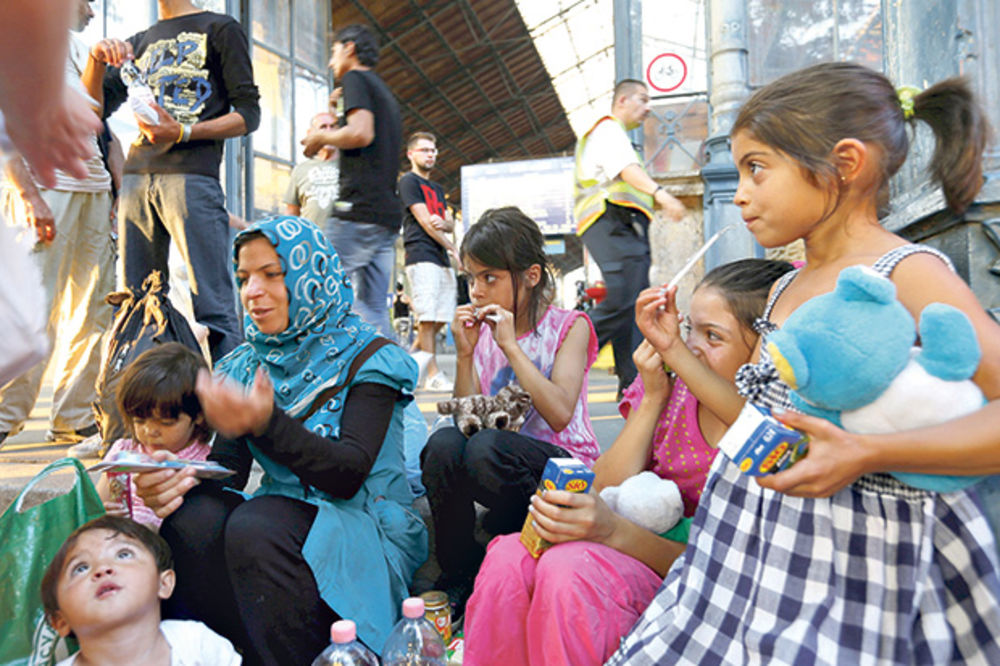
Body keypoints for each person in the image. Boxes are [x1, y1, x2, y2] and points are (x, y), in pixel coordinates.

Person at [607, 63, 1000, 665]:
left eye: (757, 168)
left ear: (846, 163)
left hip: (863, 569)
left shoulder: (910, 274)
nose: (739, 192)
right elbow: (762, 419)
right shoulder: (783, 289)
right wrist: (674, 349)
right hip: (749, 558)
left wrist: (871, 453)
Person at [462, 258, 794, 665]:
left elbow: (725, 570)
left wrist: (611, 531)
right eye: (689, 329)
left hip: (695, 586)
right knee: (509, 557)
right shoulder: (670, 391)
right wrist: (653, 398)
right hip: (627, 549)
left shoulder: (775, 433)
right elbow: (604, 484)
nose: (690, 347)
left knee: (569, 570)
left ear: (763, 352)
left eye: (714, 337)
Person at [132, 217, 427, 665]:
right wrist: (175, 482)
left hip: (364, 524)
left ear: (310, 277)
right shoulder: (247, 363)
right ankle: (226, 655)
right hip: (281, 528)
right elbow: (227, 472)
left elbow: (347, 475)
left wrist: (267, 424)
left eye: (273, 274)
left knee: (259, 523)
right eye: (245, 277)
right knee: (195, 518)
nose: (252, 291)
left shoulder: (368, 356)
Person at [420, 206, 601, 618]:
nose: (477, 292)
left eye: (490, 278)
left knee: (486, 448)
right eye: (471, 278)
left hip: (563, 470)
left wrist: (512, 348)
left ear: (530, 276)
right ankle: (459, 573)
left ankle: (520, 547)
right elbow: (468, 420)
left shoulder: (569, 327)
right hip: (499, 462)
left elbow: (559, 413)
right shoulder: (483, 334)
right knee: (444, 445)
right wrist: (465, 356)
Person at [82, 0, 260, 362]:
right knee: (136, 305)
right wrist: (95, 61)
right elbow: (90, 113)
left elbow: (248, 114)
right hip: (136, 178)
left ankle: (231, 409)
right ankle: (143, 408)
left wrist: (181, 131)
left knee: (213, 304)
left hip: (191, 175)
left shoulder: (220, 29)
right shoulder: (140, 42)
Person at [0, 0, 115, 450]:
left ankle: (73, 416)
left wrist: (96, 65)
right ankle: (4, 415)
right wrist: (27, 194)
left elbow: (93, 117)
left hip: (91, 188)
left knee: (93, 312)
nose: (89, 7)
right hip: (45, 189)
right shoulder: (18, 41)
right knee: (33, 309)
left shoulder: (72, 47)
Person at [573, 79, 686, 397]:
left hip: (621, 227)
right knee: (624, 298)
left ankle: (631, 384)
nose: (648, 107)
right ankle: (561, 350)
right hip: (606, 220)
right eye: (642, 99)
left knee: (633, 304)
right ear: (622, 100)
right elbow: (626, 171)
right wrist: (662, 195)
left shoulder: (616, 135)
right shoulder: (608, 130)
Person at [302, 24, 401, 337]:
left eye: (334, 51)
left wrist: (320, 135)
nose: (331, 62)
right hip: (385, 215)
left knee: (319, 286)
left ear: (349, 48)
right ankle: (388, 374)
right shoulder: (382, 91)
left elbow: (361, 133)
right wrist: (336, 113)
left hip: (357, 209)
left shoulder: (355, 78)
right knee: (373, 304)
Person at [41, 515, 240, 666]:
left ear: (164, 583)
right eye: (80, 568)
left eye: (124, 554)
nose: (102, 568)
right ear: (60, 621)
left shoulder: (197, 645)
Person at [96, 343, 212, 531]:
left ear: (198, 415)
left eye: (165, 422)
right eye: (140, 421)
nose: (151, 431)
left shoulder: (203, 462)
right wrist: (104, 514)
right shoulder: (123, 453)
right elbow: (97, 505)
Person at [0, 0, 101, 187]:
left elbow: (97, 120)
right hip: (46, 185)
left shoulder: (75, 50)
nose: (92, 13)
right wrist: (27, 193)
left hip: (90, 183)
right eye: (85, 2)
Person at [399, 131, 459, 390]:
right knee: (427, 316)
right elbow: (424, 221)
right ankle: (433, 374)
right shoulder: (408, 182)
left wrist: (446, 225)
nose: (430, 154)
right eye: (424, 150)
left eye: (433, 150)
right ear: (411, 154)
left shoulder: (438, 188)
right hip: (421, 253)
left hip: (441, 257)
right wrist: (451, 245)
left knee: (441, 316)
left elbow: (447, 222)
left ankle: (407, 361)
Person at [284, 111, 340, 227]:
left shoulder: (352, 166)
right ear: (311, 133)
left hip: (345, 241)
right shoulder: (301, 170)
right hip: (311, 241)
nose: (329, 131)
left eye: (333, 127)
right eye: (323, 127)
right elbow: (291, 213)